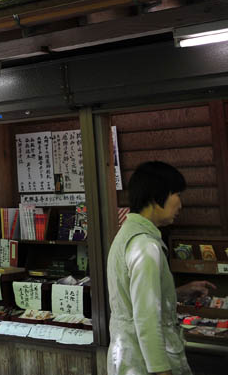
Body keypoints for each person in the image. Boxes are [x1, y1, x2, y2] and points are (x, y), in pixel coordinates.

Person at [107, 161, 215, 375]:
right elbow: (146, 318)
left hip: (128, 358)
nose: (181, 205)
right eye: (177, 195)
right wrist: (161, 371)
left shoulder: (126, 236)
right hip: (145, 364)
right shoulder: (145, 246)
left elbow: (136, 302)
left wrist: (178, 292)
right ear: (158, 197)